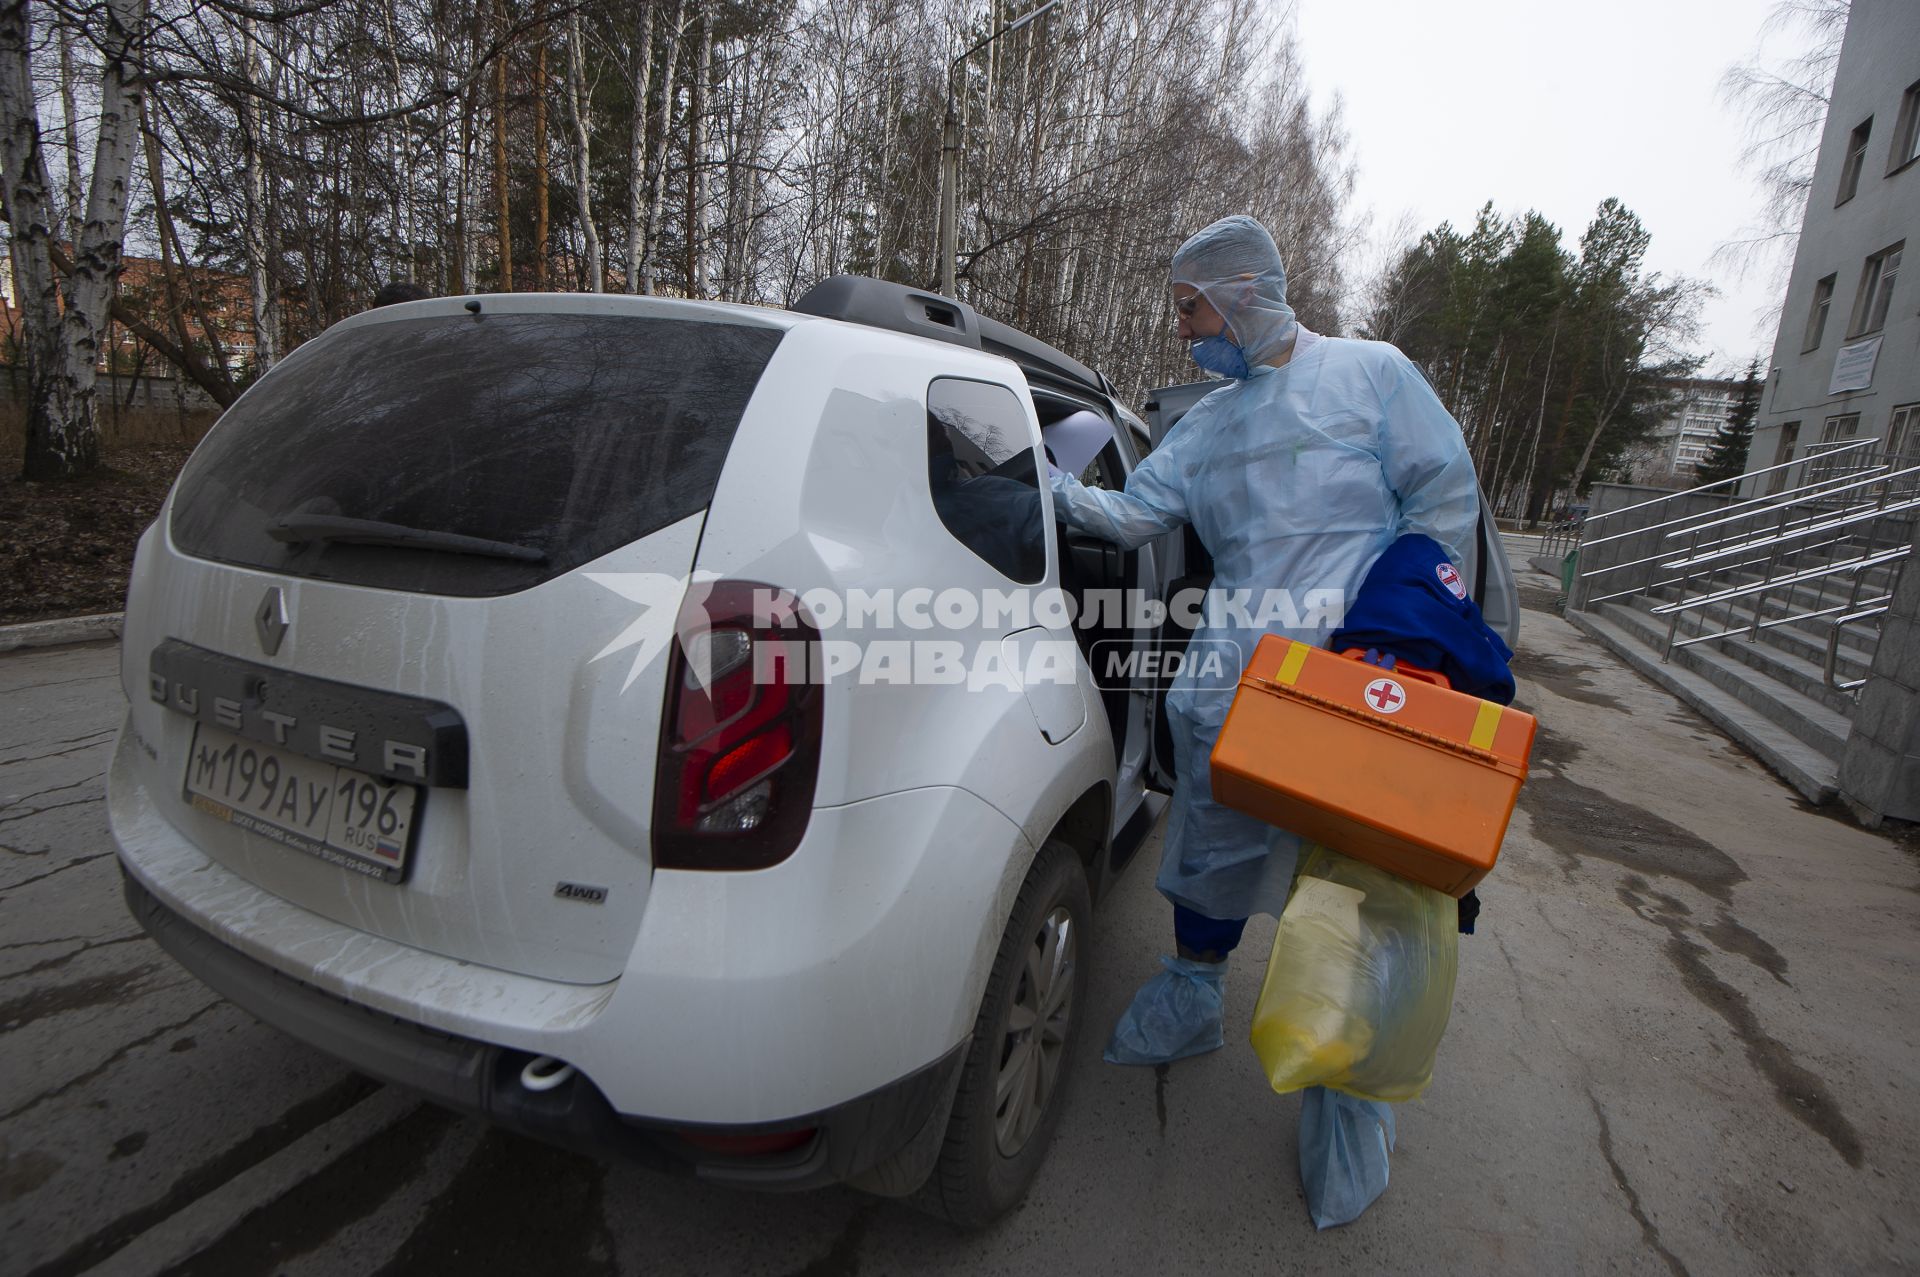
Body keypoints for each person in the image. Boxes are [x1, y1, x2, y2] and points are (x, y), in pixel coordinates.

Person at [1047, 214, 1481, 1226]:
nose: (1184, 329)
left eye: (1190, 308)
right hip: (1231, 681)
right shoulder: (1208, 424)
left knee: (1348, 883)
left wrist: (1408, 638)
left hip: (1350, 680)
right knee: (1211, 843)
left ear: (1242, 292)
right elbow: (1134, 513)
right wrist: (1042, 492)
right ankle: (1194, 991)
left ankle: (1345, 1080)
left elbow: (1442, 501)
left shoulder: (1373, 378)